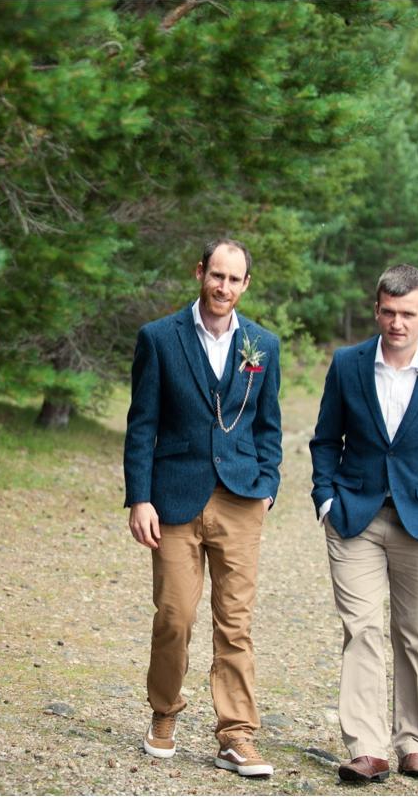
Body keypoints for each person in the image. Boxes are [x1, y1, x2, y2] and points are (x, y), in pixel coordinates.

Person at [308, 264, 418, 783]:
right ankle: (367, 746)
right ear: (376, 309)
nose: (397, 323)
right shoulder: (347, 364)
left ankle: (413, 742)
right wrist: (325, 499)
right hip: (353, 518)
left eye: (408, 314)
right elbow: (324, 440)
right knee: (360, 628)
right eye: (388, 311)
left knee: (414, 634)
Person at [123, 238, 282, 779]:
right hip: (173, 498)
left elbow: (269, 425)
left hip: (241, 500)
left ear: (246, 285)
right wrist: (139, 497)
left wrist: (268, 485)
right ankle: (164, 712)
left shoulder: (262, 344)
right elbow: (141, 424)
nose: (224, 288)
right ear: (200, 273)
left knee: (235, 622)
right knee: (174, 615)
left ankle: (236, 735)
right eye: (217, 276)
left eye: (235, 280)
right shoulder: (159, 338)